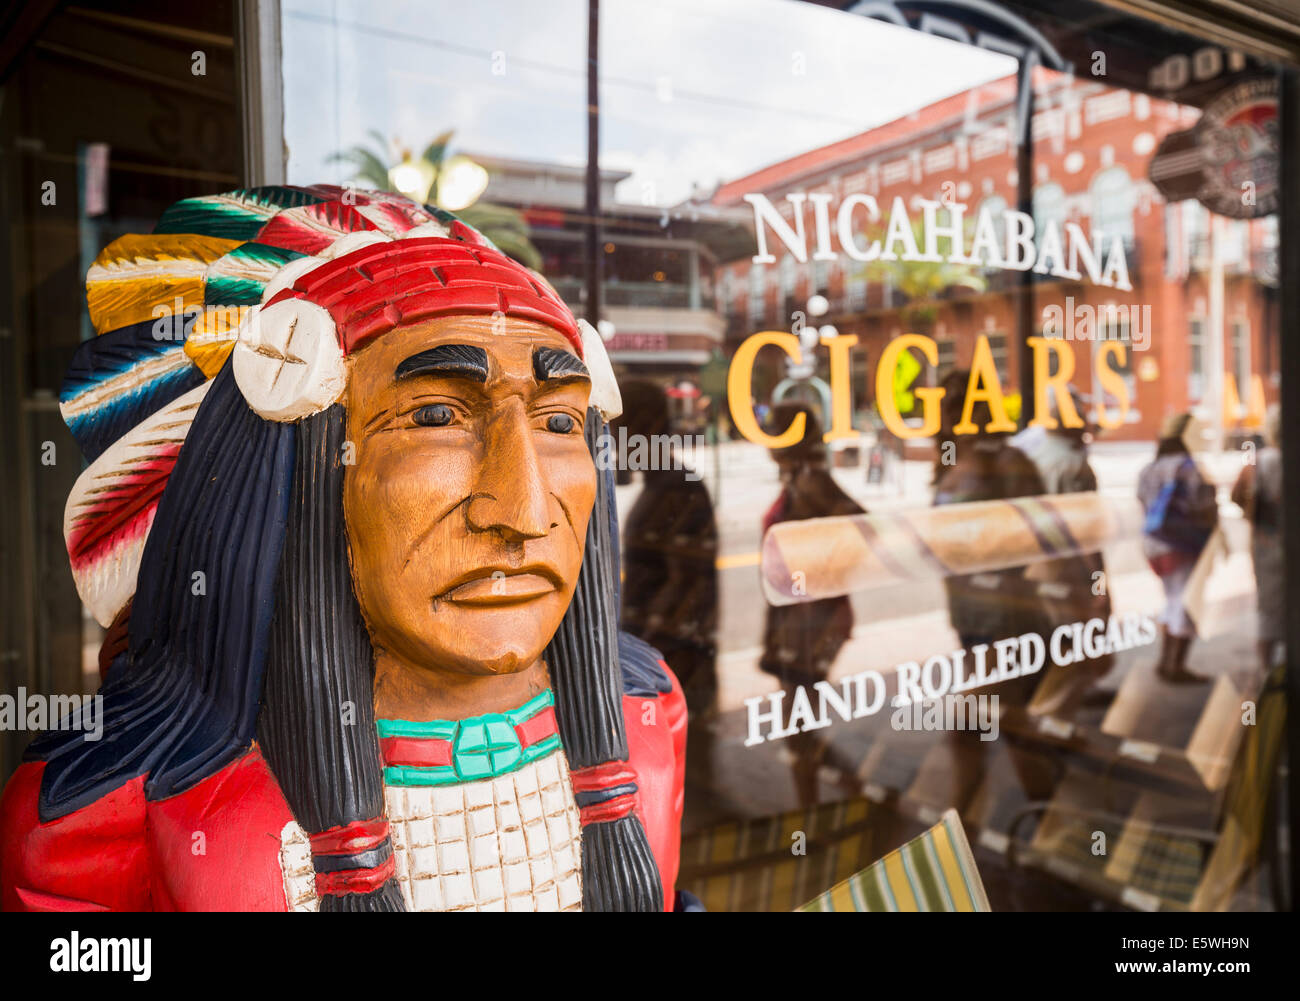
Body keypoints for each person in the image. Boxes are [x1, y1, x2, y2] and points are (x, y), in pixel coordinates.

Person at [1, 186, 688, 912]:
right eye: (433, 415)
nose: (521, 510)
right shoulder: (100, 822)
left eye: (558, 422)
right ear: (294, 472)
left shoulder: (649, 716)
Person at [758, 402, 865, 807]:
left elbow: (861, 529)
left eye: (772, 430)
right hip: (796, 618)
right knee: (800, 720)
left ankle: (817, 810)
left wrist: (821, 577)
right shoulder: (799, 480)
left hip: (811, 620)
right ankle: (839, 794)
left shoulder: (811, 482)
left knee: (799, 723)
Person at [616, 380, 719, 783]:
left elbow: (683, 587)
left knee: (685, 784)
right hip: (670, 667)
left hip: (675, 670)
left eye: (620, 428)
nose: (613, 440)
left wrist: (635, 655)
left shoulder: (678, 490)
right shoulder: (664, 487)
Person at [1137, 412, 1219, 684]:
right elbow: (1203, 507)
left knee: (1172, 600)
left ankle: (1166, 662)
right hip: (1182, 546)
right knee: (1185, 605)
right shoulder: (1189, 468)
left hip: (1154, 545)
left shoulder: (1150, 468)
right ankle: (1175, 666)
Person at [1231, 405, 1284, 680]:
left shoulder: (1260, 461)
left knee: (1268, 607)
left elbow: (1237, 496)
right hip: (1275, 541)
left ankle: (1266, 672)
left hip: (1267, 542)